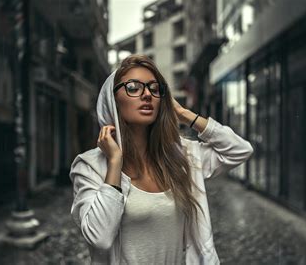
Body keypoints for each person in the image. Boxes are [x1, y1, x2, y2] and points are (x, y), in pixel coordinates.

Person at [69, 54, 254, 264]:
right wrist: (114, 163)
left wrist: (183, 113)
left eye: (154, 89)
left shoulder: (182, 156)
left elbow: (240, 150)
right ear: (113, 100)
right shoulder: (90, 166)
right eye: (133, 87)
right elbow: (99, 238)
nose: (147, 94)